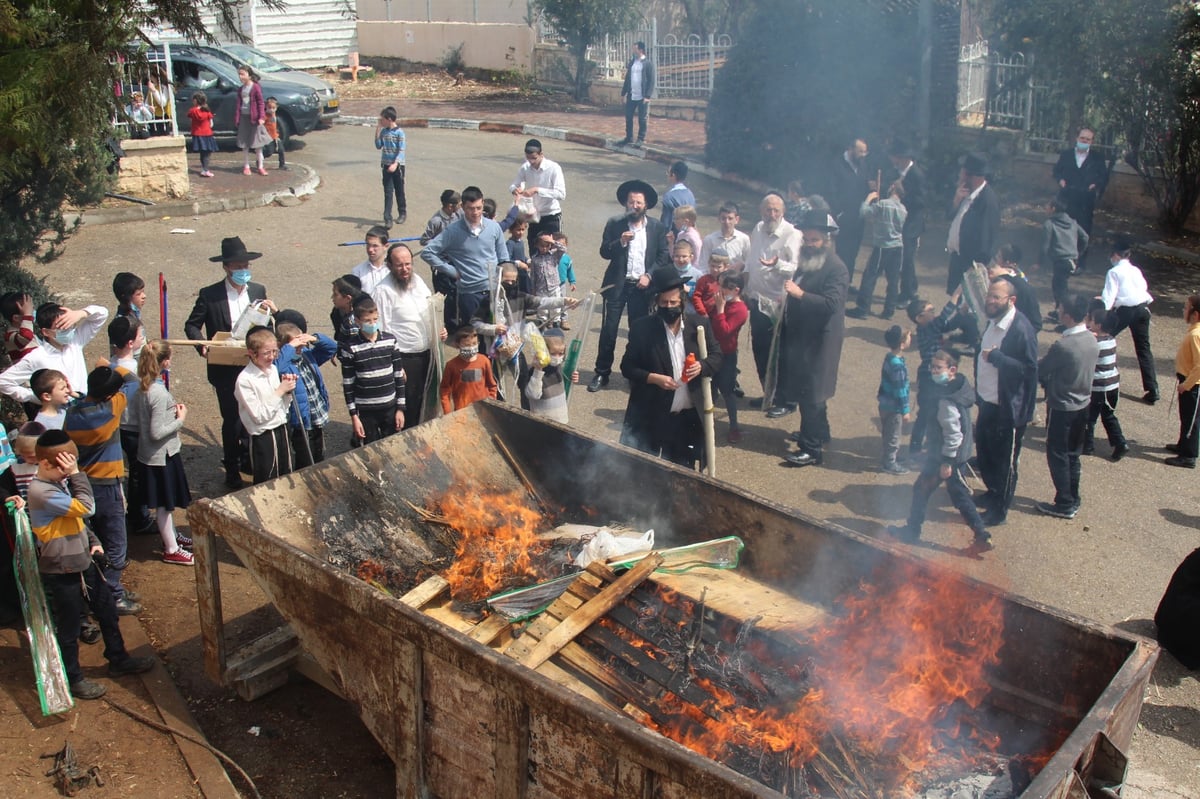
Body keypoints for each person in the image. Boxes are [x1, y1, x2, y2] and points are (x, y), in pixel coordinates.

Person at [28, 430, 155, 700]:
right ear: (45, 464)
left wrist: (93, 540)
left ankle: (118, 659)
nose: (68, 473)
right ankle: (74, 679)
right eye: (64, 468)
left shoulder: (56, 482)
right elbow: (86, 507)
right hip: (62, 569)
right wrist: (76, 475)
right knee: (70, 626)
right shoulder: (41, 491)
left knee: (107, 611)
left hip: (82, 560)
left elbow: (78, 520)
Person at [184, 236, 276, 489]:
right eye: (237, 267)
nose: (242, 271)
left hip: (253, 364)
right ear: (226, 267)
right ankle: (232, 468)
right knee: (232, 419)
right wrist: (203, 346)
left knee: (254, 414)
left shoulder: (258, 291)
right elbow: (192, 325)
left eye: (245, 266)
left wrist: (273, 313)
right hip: (225, 368)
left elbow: (267, 327)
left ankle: (248, 458)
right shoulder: (210, 295)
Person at [887, 351, 991, 551]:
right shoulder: (960, 387)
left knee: (921, 490)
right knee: (959, 495)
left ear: (952, 370)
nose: (934, 371)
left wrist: (947, 462)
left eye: (938, 368)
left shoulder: (946, 400)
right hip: (951, 455)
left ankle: (912, 531)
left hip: (945, 457)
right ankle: (982, 535)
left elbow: (953, 435)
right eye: (932, 367)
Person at [619, 269, 721, 469]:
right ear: (656, 303)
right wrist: (652, 378)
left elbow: (718, 356)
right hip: (652, 415)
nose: (669, 307)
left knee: (681, 472)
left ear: (682, 302)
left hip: (687, 419)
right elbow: (627, 367)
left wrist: (702, 366)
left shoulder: (699, 326)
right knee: (642, 471)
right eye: (664, 303)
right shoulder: (643, 329)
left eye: (673, 303)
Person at [63, 366, 141, 614]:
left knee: (93, 542)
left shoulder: (73, 412)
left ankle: (100, 591)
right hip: (108, 486)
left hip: (82, 485)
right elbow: (134, 380)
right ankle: (113, 596)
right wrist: (112, 365)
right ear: (108, 395)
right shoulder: (111, 407)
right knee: (117, 543)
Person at [779, 210, 849, 467]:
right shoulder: (808, 260)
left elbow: (831, 304)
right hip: (803, 338)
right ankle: (819, 432)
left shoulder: (836, 268)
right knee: (810, 391)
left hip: (821, 341)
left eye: (814, 240)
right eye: (806, 240)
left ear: (826, 241)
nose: (809, 245)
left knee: (813, 394)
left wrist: (799, 294)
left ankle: (811, 449)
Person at [589, 179, 672, 392]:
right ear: (625, 203)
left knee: (638, 332)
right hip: (617, 285)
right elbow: (604, 251)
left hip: (642, 288)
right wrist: (621, 242)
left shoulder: (656, 227)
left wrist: (649, 275)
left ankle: (634, 374)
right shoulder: (615, 223)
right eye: (631, 202)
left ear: (646, 205)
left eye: (638, 203)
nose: (634, 206)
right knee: (609, 331)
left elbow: (663, 256)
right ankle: (601, 373)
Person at [975, 277, 1039, 526]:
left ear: (1011, 300)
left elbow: (1030, 370)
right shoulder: (992, 321)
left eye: (995, 297)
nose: (990, 301)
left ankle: (999, 510)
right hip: (988, 402)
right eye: (989, 296)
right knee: (986, 453)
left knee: (1005, 461)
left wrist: (999, 358)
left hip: (1008, 409)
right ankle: (992, 493)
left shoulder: (1021, 329)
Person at [1035, 293, 1100, 518]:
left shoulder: (1064, 345)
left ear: (1068, 316)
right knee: (1073, 454)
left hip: (1062, 407)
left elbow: (1041, 370)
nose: (1059, 312)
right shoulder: (1092, 339)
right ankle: (1073, 496)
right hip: (1083, 405)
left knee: (1057, 454)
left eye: (1061, 310)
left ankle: (1064, 502)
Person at [129, 341, 193, 565]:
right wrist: (180, 420)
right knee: (165, 506)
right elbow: (157, 432)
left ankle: (173, 537)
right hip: (161, 457)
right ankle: (171, 548)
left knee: (166, 503)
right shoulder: (157, 393)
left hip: (152, 455)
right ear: (164, 361)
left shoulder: (143, 388)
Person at [421, 185, 510, 331]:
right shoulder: (453, 231)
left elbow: (504, 257)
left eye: (479, 208)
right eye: (470, 208)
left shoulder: (494, 228)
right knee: (474, 337)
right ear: (462, 207)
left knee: (497, 337)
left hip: (494, 291)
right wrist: (451, 270)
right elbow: (428, 252)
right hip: (469, 294)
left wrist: (507, 279)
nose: (475, 212)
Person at [743, 192, 802, 408]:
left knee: (777, 354)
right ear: (761, 211)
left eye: (776, 210)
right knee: (760, 350)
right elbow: (751, 260)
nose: (772, 214)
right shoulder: (758, 228)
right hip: (757, 300)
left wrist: (777, 264)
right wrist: (745, 286)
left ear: (783, 212)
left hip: (779, 304)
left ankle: (783, 399)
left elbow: (796, 267)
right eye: (768, 209)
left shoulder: (792, 234)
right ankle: (768, 394)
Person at [0, 301, 107, 419]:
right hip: (61, 414)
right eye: (62, 328)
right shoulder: (37, 357)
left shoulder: (75, 342)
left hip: (86, 405)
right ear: (46, 332)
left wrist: (81, 313)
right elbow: (4, 382)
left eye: (69, 326)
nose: (68, 331)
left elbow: (102, 314)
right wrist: (35, 396)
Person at [372, 243, 439, 428]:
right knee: (406, 407)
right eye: (399, 265)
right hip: (404, 359)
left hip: (426, 354)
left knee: (424, 402)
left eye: (408, 264)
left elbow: (430, 309)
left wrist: (439, 328)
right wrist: (395, 364)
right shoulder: (383, 291)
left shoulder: (418, 281)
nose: (405, 269)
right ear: (390, 265)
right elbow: (381, 331)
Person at [108, 316, 154, 535]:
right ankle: (139, 516)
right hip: (134, 428)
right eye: (139, 336)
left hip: (120, 426)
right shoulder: (133, 371)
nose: (142, 339)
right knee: (138, 473)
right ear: (129, 343)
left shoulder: (110, 364)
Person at [1101, 235, 1159, 404]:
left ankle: (1104, 378)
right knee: (1143, 349)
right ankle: (1152, 388)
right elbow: (1143, 288)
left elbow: (1108, 298)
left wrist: (1101, 315)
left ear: (1116, 255)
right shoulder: (1135, 270)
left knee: (1104, 338)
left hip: (1126, 310)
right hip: (1142, 309)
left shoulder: (1114, 272)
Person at [235, 326, 297, 484]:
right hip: (264, 437)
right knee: (267, 480)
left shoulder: (273, 369)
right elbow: (259, 416)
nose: (271, 357)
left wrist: (287, 392)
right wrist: (280, 391)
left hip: (281, 429)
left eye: (275, 352)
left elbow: (282, 407)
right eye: (266, 353)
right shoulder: (245, 380)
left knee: (286, 476)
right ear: (251, 353)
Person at [340, 298, 406, 444]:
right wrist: (354, 416)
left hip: (390, 407)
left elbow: (398, 376)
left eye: (375, 319)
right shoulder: (350, 348)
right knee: (371, 451)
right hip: (366, 411)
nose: (372, 324)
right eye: (367, 321)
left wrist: (400, 408)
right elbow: (348, 384)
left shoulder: (390, 341)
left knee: (393, 447)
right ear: (357, 321)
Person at [274, 316, 335, 465]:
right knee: (304, 458)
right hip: (301, 419)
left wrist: (315, 338)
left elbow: (332, 347)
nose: (301, 349)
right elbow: (276, 367)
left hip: (316, 415)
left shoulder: (307, 355)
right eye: (297, 346)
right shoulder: (284, 363)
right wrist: (290, 347)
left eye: (302, 345)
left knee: (319, 454)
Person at [847, 182, 907, 320]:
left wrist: (869, 198)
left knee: (870, 276)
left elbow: (864, 212)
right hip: (898, 247)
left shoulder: (884, 204)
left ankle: (862, 308)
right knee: (893, 280)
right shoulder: (904, 209)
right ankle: (889, 311)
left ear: (892, 189)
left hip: (882, 246)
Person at [946, 152, 1001, 295]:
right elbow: (950, 216)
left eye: (963, 173)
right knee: (954, 298)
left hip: (971, 264)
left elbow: (986, 238)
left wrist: (976, 266)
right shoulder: (965, 193)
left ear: (973, 176)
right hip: (958, 258)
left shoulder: (987, 201)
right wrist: (956, 200)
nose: (960, 176)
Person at [1083, 304, 1128, 461]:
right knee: (1108, 416)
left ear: (1099, 325)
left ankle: (1087, 445)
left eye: (1092, 321)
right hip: (1112, 386)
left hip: (1098, 387)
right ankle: (1119, 442)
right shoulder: (1111, 340)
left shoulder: (1095, 343)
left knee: (1089, 417)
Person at [887, 140, 928, 304]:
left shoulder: (916, 174)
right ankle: (911, 287)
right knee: (904, 258)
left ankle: (908, 294)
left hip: (912, 223)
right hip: (900, 221)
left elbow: (922, 201)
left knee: (907, 258)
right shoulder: (896, 172)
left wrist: (903, 194)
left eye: (895, 157)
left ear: (902, 158)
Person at [826, 137, 871, 283]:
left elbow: (864, 186)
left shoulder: (863, 164)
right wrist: (838, 211)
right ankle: (837, 282)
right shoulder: (837, 164)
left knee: (853, 252)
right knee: (842, 252)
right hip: (843, 216)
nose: (863, 155)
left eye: (865, 152)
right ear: (850, 149)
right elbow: (831, 190)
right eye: (860, 151)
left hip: (858, 216)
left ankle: (847, 281)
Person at [710, 272, 748, 443]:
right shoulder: (722, 301)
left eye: (724, 287)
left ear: (736, 289)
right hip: (712, 352)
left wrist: (719, 310)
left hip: (727, 355)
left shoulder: (740, 310)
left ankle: (734, 427)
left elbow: (724, 331)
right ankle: (705, 421)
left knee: (727, 391)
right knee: (709, 389)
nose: (720, 290)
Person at [509, 139, 566, 249]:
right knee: (534, 251)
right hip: (533, 217)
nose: (531, 161)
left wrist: (537, 190)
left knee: (554, 252)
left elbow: (561, 194)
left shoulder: (554, 168)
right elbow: (513, 185)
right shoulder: (525, 168)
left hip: (551, 216)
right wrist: (515, 190)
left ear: (541, 154)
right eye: (528, 158)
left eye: (534, 158)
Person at [1052, 127, 1108, 237]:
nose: (1084, 141)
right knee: (1064, 229)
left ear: (1092, 141)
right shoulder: (1066, 154)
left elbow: (1103, 177)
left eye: (1088, 139)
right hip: (1067, 198)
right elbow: (1057, 171)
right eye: (1082, 138)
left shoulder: (1097, 158)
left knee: (1083, 229)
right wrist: (1060, 180)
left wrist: (1095, 184)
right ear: (1077, 138)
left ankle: (1081, 253)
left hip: (1085, 200)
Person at [1166, 294, 1200, 469]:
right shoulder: (1194, 331)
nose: (1183, 310)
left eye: (1186, 308)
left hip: (1193, 384)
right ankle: (1183, 444)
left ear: (1195, 314)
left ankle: (1188, 456)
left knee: (1191, 419)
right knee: (1186, 416)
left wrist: (1186, 385)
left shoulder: (1195, 334)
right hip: (1188, 381)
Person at [1040, 196, 1089, 315]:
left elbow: (1045, 246)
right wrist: (1078, 252)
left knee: (1060, 288)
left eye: (1047, 206)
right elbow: (1085, 237)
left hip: (1060, 260)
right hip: (1072, 260)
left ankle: (1065, 312)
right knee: (1061, 286)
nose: (1045, 208)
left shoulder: (1049, 224)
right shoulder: (1073, 222)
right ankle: (1059, 310)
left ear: (1053, 208)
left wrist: (1040, 262)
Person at [523, 328, 578, 424]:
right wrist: (538, 371)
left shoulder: (557, 367)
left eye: (560, 353)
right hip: (543, 423)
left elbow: (562, 385)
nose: (557, 358)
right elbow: (532, 394)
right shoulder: (535, 371)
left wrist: (572, 378)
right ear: (543, 351)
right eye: (553, 354)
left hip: (561, 419)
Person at [877, 325, 912, 474]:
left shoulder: (889, 357)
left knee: (887, 432)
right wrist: (905, 410)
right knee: (894, 436)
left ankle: (889, 457)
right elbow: (900, 390)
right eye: (909, 337)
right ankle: (890, 463)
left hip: (884, 403)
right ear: (902, 344)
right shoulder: (897, 366)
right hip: (894, 407)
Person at [440, 327, 497, 413]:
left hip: (483, 411)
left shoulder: (484, 361)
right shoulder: (451, 366)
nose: (471, 347)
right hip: (461, 411)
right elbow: (444, 390)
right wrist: (447, 411)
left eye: (474, 343)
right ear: (457, 345)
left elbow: (492, 385)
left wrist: (490, 403)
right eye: (466, 345)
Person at [988, 246, 1042, 331]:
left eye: (998, 257)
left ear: (1007, 262)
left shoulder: (1017, 284)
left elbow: (1035, 323)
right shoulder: (1020, 280)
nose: (995, 259)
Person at [617, 41, 655, 147]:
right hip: (631, 95)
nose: (633, 51)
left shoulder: (647, 64)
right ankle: (629, 137)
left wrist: (647, 96)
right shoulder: (632, 62)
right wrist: (623, 93)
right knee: (628, 117)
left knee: (642, 119)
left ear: (641, 50)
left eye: (635, 49)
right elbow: (627, 79)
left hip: (642, 96)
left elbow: (651, 81)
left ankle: (640, 139)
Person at [234, 66, 269, 176]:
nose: (241, 77)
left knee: (257, 144)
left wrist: (261, 117)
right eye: (239, 74)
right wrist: (237, 118)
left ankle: (260, 166)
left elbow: (260, 103)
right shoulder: (241, 89)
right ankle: (246, 165)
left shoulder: (255, 87)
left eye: (243, 74)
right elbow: (239, 105)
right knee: (245, 143)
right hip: (244, 118)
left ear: (249, 75)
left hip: (254, 119)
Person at [375, 106, 406, 228]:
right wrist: (377, 131)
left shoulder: (400, 133)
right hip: (386, 166)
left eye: (382, 119)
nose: (381, 121)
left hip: (398, 167)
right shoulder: (384, 132)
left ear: (389, 119)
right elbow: (378, 146)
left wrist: (395, 163)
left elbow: (401, 150)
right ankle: (387, 218)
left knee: (399, 191)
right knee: (388, 193)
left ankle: (402, 213)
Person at [698, 202, 751, 271]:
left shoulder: (744, 239)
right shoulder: (710, 240)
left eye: (730, 218)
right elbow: (703, 265)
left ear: (737, 220)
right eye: (723, 218)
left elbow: (749, 262)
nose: (727, 222)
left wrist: (742, 265)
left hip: (735, 279)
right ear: (719, 219)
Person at [351, 226, 392, 296]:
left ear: (386, 246)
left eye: (375, 246)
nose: (370, 249)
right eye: (368, 245)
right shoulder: (358, 271)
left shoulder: (393, 270)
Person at [187, 91, 216, 178]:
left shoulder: (192, 111)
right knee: (207, 153)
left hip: (197, 134)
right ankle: (205, 170)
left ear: (195, 100)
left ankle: (204, 169)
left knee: (202, 152)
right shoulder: (207, 111)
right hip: (207, 134)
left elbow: (190, 120)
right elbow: (211, 124)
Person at [1, 291, 36, 364]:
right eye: (29, 311)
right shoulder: (10, 336)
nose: (32, 312)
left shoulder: (26, 330)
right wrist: (27, 316)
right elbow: (26, 337)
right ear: (16, 318)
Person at [660, 161, 695, 231]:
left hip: (674, 237)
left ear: (673, 175)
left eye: (668, 172)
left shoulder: (669, 197)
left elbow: (666, 224)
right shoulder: (691, 195)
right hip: (688, 234)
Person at [670, 205, 704, 272]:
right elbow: (674, 255)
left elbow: (698, 257)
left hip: (690, 271)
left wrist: (693, 271)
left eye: (677, 219)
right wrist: (671, 243)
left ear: (686, 221)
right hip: (678, 268)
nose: (674, 221)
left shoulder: (693, 237)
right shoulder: (680, 234)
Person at [553, 231, 577, 329]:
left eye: (563, 245)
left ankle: (564, 319)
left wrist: (572, 282)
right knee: (552, 301)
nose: (560, 248)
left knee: (563, 301)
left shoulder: (567, 259)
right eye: (558, 245)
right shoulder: (551, 256)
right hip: (551, 284)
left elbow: (570, 271)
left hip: (562, 284)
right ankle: (552, 320)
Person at [264, 97, 287, 171]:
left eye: (273, 107)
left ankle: (282, 165)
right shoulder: (265, 116)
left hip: (275, 136)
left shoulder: (274, 114)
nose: (271, 109)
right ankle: (260, 159)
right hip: (268, 137)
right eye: (269, 107)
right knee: (269, 152)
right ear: (266, 107)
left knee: (281, 150)